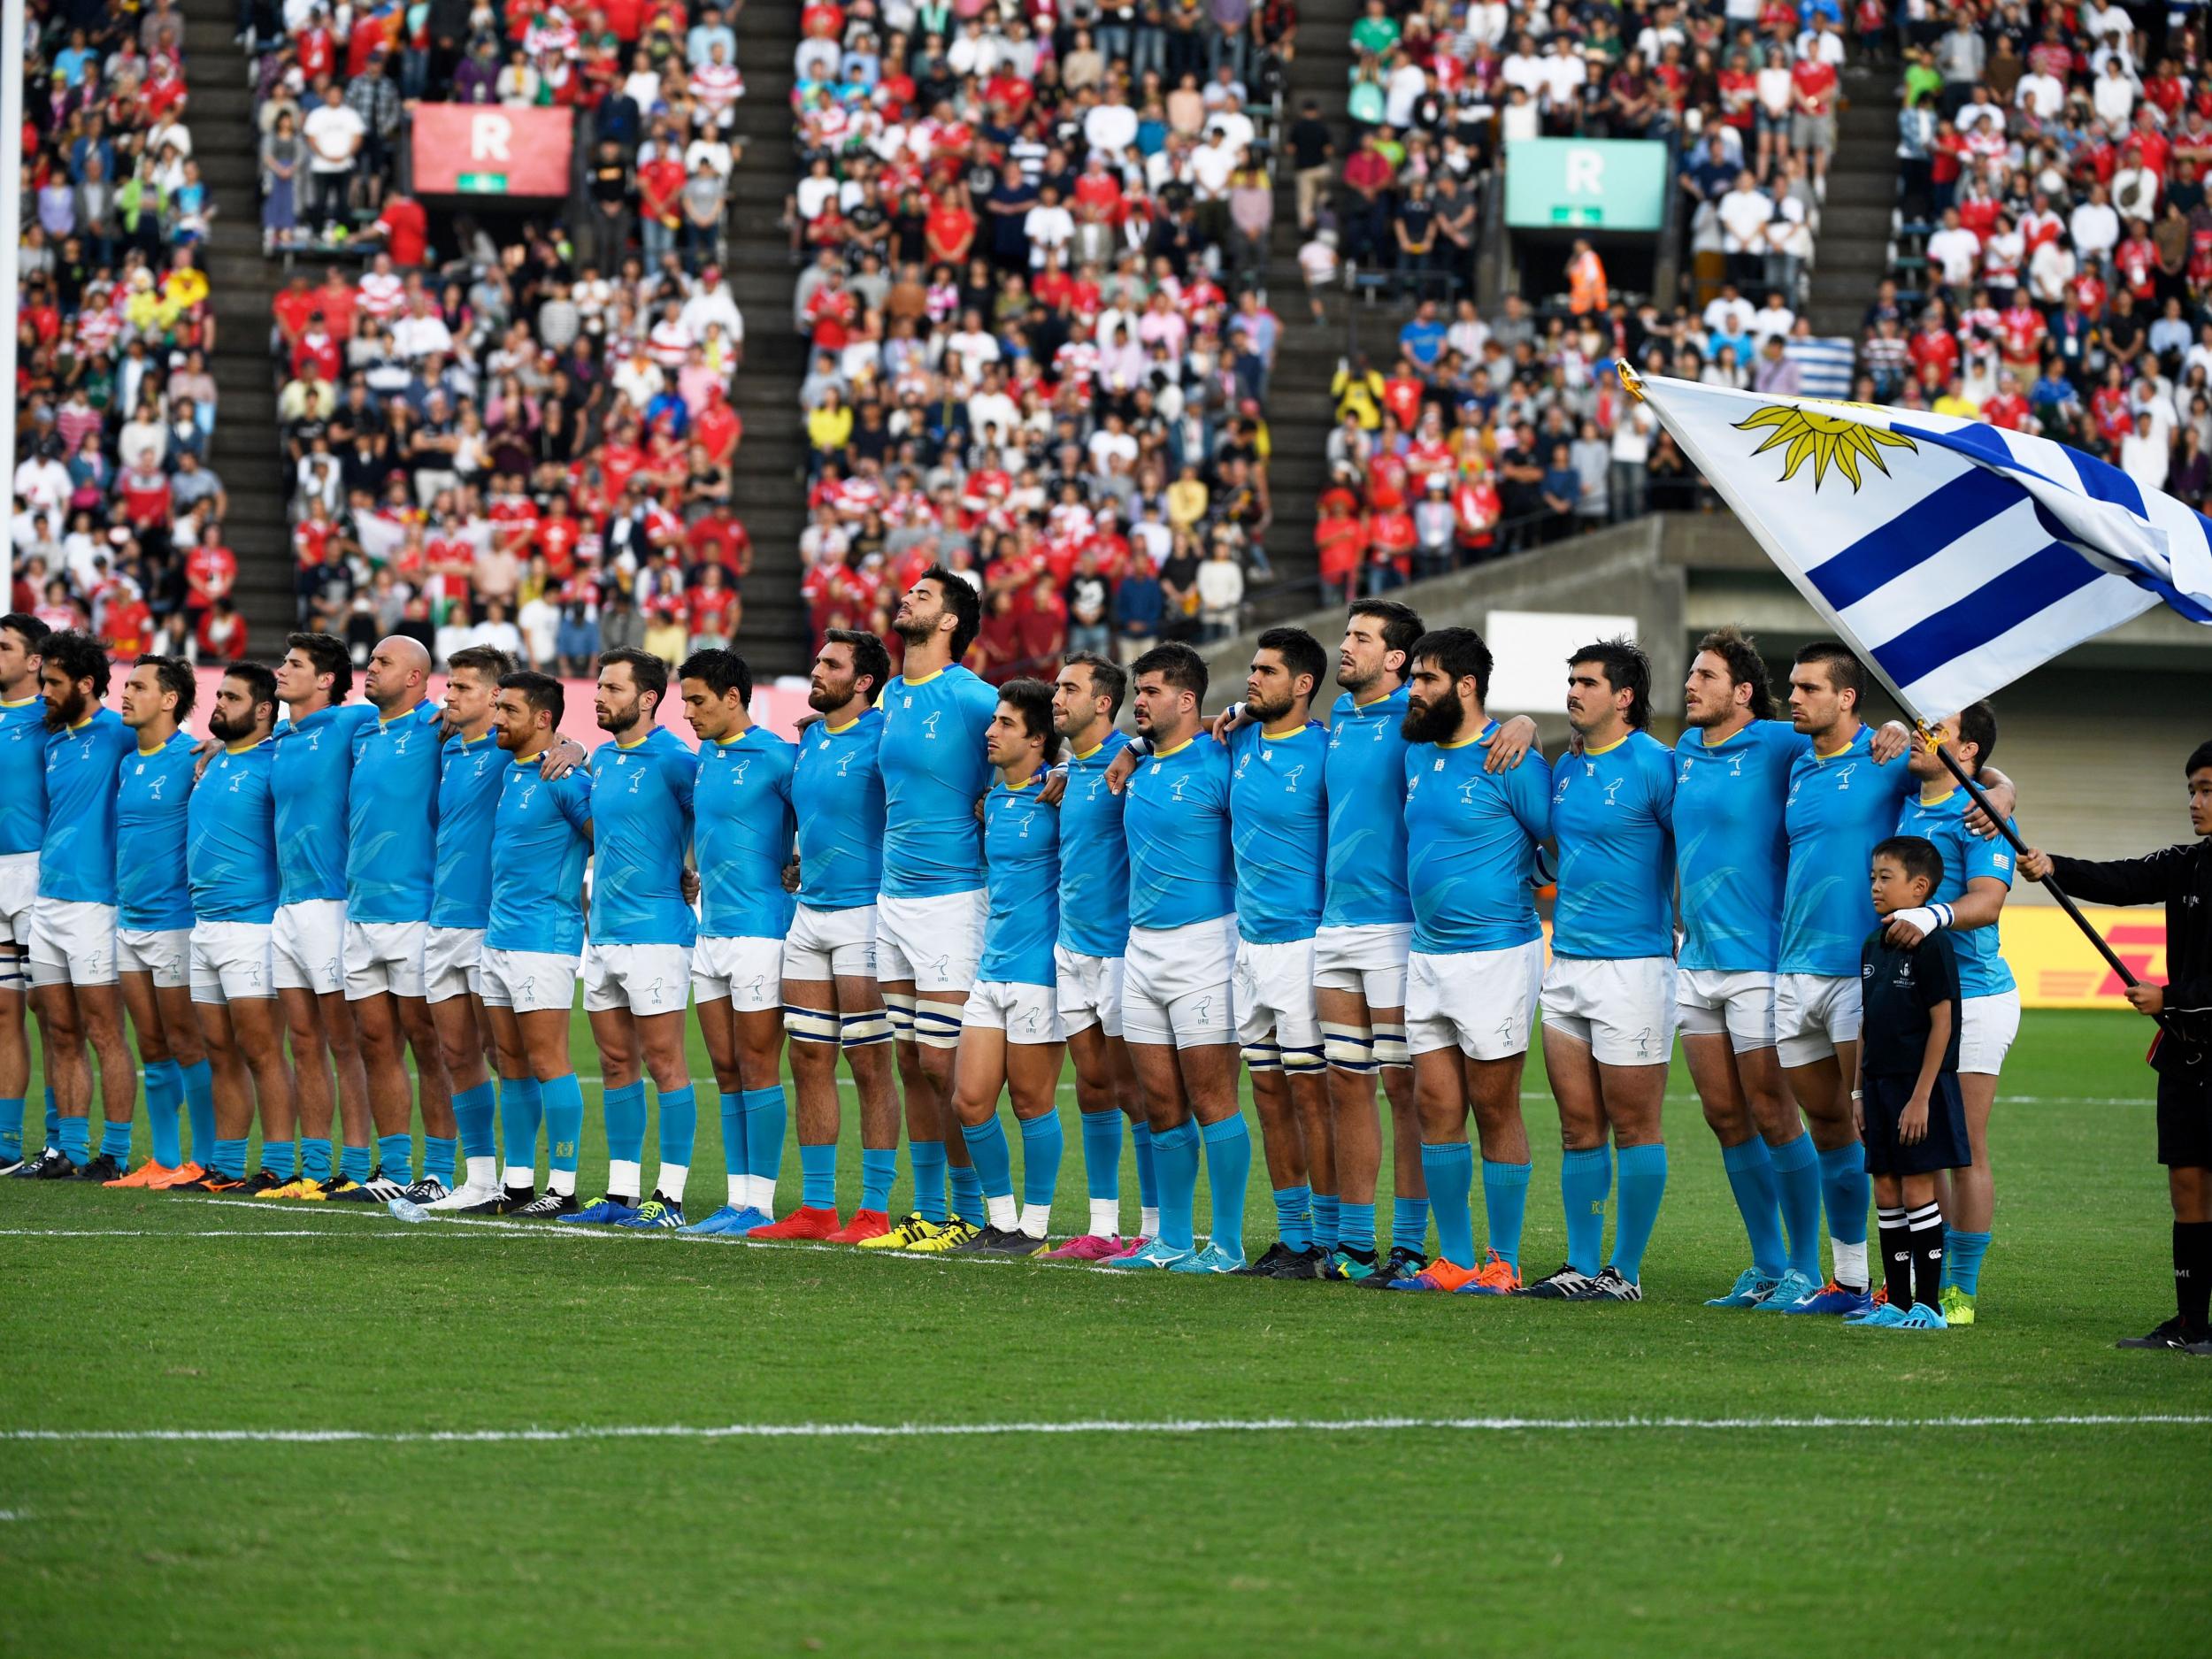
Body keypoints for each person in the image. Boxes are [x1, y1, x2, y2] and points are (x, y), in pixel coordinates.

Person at [2019, 742, 2212, 1354]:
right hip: (2185, 1056)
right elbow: (2122, 879)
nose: (2195, 802)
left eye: (2207, 790)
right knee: (2187, 1187)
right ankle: (2192, 1326)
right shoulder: (2185, 862)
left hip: (2187, 1024)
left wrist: (2171, 998)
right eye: (2191, 790)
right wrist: (2054, 867)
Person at [1382, 629, 1551, 1294]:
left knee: (1494, 1104)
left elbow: (1561, 842)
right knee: (1435, 1105)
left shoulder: (1512, 758)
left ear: (1466, 685)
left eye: (1426, 679)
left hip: (1497, 955)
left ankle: (1503, 1261)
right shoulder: (1416, 755)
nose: (1414, 690)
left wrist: (1519, 883)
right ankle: (1454, 1259)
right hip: (1428, 955)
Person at [1671, 626, 1830, 1312]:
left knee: (1772, 1110)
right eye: (1690, 673)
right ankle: (1766, 1264)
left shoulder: (1778, 741)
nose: (1690, 684)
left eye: (1705, 675)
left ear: (1741, 691)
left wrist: (1998, 786)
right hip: (1695, 960)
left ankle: (1805, 1266)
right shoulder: (1682, 750)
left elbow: (1855, 743)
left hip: (1760, 963)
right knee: (1723, 1115)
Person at [1525, 640, 1677, 1301]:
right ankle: (1581, 1264)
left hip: (1635, 968)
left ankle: (1626, 1271)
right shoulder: (1565, 766)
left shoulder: (1658, 765)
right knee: (1577, 1126)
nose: (1573, 692)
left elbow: (1699, 842)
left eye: (1587, 682)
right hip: (1568, 965)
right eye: (1572, 680)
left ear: (1624, 697)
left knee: (1636, 1126)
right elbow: (1562, 852)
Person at [1101, 643, 1251, 1272]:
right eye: (1137, 691)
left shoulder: (1225, 757)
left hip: (1206, 945)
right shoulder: (1139, 761)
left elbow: (1275, 719)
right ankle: (1172, 1241)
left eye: (1151, 691)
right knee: (1158, 1101)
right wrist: (1135, 747)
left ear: (1187, 700)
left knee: (1212, 1098)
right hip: (1141, 948)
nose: (1138, 700)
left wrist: (1236, 711)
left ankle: (1228, 1244)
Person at [872, 568, 1002, 1243]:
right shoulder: (892, 693)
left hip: (953, 898)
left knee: (941, 1061)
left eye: (923, 595)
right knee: (908, 1060)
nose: (908, 598)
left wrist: (1013, 792)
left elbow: (1040, 744)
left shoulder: (972, 695)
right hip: (892, 898)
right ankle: (927, 1210)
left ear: (950, 621)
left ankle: (971, 1210)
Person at [1890, 704, 2017, 1325]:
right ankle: (1928, 1279)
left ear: (1967, 751)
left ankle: (1961, 1288)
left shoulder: (1982, 814)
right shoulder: (1904, 798)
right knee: (1924, 1146)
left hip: (1977, 996)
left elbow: (1988, 901)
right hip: (1917, 996)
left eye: (1935, 728)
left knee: (1963, 1146)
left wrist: (1932, 914)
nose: (1921, 733)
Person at [774, 632, 902, 1242]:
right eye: (818, 659)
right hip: (809, 913)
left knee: (870, 1060)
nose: (816, 669)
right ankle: (817, 1207)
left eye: (831, 664)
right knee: (807, 1057)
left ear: (864, 682)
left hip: (865, 914)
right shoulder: (810, 738)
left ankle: (874, 1210)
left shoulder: (888, 737)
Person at [673, 649, 803, 1239]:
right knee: (726, 1069)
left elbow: (823, 814)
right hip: (711, 932)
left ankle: (762, 1204)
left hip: (761, 931)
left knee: (757, 1065)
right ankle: (736, 1200)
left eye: (697, 700)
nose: (688, 712)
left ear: (733, 697)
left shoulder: (779, 756)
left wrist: (801, 863)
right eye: (684, 701)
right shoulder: (703, 756)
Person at [570, 649, 699, 1227]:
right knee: (615, 1061)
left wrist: (694, 870)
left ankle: (669, 1198)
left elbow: (715, 819)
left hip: (658, 935)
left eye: (613, 688)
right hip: (604, 933)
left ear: (648, 698)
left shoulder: (676, 759)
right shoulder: (602, 758)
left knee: (665, 1061)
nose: (600, 696)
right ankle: (622, 1194)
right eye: (599, 686)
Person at [1222, 629, 1335, 1279]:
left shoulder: (1327, 751)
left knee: (1312, 1095)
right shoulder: (1238, 740)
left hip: (1305, 942)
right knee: (1267, 1092)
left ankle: (1332, 1239)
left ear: (1303, 684)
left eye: (1267, 671)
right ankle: (1294, 1237)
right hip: (1249, 943)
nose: (1252, 679)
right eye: (1253, 669)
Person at [947, 680, 1068, 1254]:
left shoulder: (1064, 794)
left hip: (1040, 972)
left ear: (1038, 739)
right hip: (991, 969)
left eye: (1005, 723)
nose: (990, 731)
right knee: (969, 1101)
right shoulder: (994, 800)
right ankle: (1000, 1221)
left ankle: (1035, 1227)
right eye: (993, 720)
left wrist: (1070, 775)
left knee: (1030, 1103)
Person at [1040, 652, 1152, 1258]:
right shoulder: (1071, 769)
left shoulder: (1133, 762)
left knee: (1139, 1093)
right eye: (1057, 687)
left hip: (1121, 950)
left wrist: (1136, 745)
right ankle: (1103, 1227)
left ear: (1104, 702)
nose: (1057, 697)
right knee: (1092, 1087)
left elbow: (1188, 737)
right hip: (1072, 946)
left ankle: (1155, 1230)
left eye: (1070, 688)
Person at [337, 636, 457, 1203]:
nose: (371, 668)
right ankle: (391, 1169)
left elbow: (520, 735)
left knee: (428, 1044)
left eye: (383, 662)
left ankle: (439, 1172)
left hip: (416, 911)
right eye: (372, 660)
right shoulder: (360, 731)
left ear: (414, 677)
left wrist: (572, 747)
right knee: (375, 1044)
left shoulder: (440, 727)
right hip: (360, 911)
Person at [17, 632, 137, 1180]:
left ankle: (115, 1152)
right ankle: (65, 1149)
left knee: (104, 1032)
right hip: (47, 903)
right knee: (59, 1031)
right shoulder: (53, 741)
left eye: (54, 683)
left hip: (97, 904)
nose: (43, 691)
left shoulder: (120, 733)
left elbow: (177, 748)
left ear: (86, 684)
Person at [476, 672, 595, 1217]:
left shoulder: (566, 778)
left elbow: (609, 840)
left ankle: (563, 1187)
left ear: (543, 719)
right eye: (498, 707)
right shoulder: (513, 770)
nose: (497, 718)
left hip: (543, 939)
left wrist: (580, 753)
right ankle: (518, 1183)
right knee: (511, 1063)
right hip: (500, 935)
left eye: (508, 710)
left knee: (548, 1060)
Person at [174, 665, 294, 1196]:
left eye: (232, 697)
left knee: (262, 1052)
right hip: (204, 925)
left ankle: (278, 1165)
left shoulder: (277, 760)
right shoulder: (215, 759)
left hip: (253, 925)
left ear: (264, 710)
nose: (218, 703)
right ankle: (224, 1165)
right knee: (219, 1052)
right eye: (219, 694)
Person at [266, 633, 373, 1197]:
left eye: (294, 664)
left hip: (331, 903)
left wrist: (572, 746)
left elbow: (427, 721)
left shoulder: (351, 721)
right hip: (286, 905)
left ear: (326, 679)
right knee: (303, 1042)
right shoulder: (280, 737)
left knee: (343, 1042)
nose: (281, 671)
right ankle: (311, 1168)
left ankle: (354, 1166)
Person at [1846, 836, 1966, 1332]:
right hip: (1877, 1088)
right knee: (1885, 1188)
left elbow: (1944, 1022)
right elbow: (1865, 1022)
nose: (1875, 886)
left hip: (1920, 1089)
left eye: (1885, 877)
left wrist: (1921, 1097)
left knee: (1918, 1187)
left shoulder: (1933, 944)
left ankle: (1929, 1306)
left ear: (1919, 888)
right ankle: (1895, 1302)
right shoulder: (1872, 944)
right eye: (1872, 877)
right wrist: (1857, 1093)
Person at [103, 655, 211, 1188]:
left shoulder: (192, 758)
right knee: (150, 1043)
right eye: (126, 685)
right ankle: (165, 1160)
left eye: (139, 687)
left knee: (186, 1041)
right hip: (130, 919)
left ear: (170, 700)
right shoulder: (129, 763)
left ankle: (206, 1160)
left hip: (175, 921)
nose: (125, 694)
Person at [419, 645, 514, 1212]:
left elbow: (566, 750)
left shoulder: (512, 752)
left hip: (489, 923)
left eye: (463, 687)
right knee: (456, 1053)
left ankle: (529, 1180)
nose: (449, 695)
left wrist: (572, 748)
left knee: (505, 1054)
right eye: (448, 685)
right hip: (442, 920)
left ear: (496, 696)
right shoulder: (449, 750)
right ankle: (480, 1179)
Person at [0, 616, 55, 1175]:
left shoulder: (52, 716)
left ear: (34, 661)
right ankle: (6, 1142)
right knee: (3, 1011)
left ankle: (62, 1143)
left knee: (50, 1011)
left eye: (4, 647)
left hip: (36, 873)